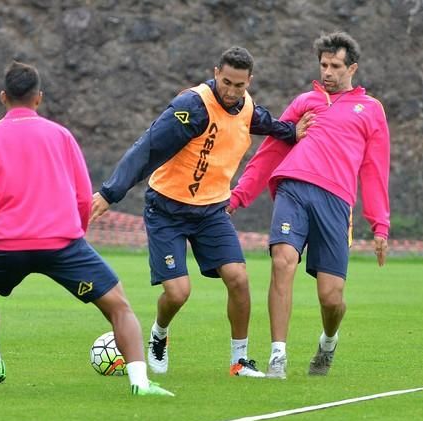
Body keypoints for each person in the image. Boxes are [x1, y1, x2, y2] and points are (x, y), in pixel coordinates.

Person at [0, 61, 173, 396]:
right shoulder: (61, 135)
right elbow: (82, 193)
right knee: (119, 306)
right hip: (62, 246)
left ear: (3, 97)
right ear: (38, 98)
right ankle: (140, 383)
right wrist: (77, 232)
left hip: (6, 247)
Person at [91, 46, 312, 378]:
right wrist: (110, 193)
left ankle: (240, 362)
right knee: (178, 293)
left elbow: (266, 123)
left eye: (239, 85)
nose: (231, 91)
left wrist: (291, 132)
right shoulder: (191, 107)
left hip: (211, 211)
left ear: (249, 81)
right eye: (226, 82)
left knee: (238, 279)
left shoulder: (247, 107)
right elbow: (147, 149)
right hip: (167, 209)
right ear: (215, 72)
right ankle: (159, 333)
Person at [229, 31, 390, 378]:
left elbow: (375, 171)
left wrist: (380, 225)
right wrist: (239, 196)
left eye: (335, 66)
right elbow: (270, 151)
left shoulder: (371, 110)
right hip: (293, 189)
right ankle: (277, 357)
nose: (327, 72)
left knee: (331, 298)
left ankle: (328, 342)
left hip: (335, 202)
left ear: (353, 68)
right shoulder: (304, 102)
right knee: (282, 260)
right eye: (323, 65)